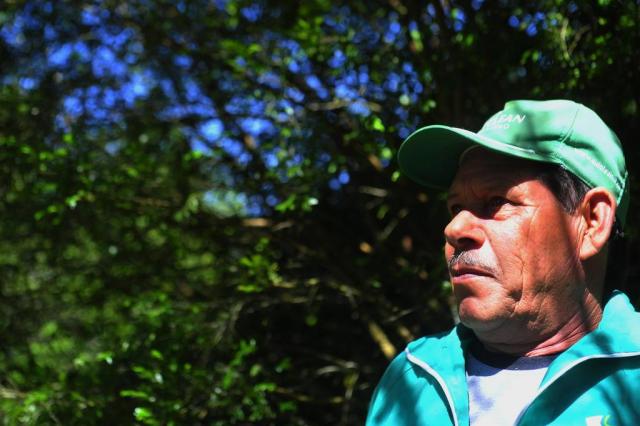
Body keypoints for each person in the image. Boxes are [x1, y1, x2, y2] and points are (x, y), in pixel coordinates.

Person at [366, 100, 640, 426]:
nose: (454, 229)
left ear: (591, 221)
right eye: (455, 208)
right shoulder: (410, 376)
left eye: (496, 202)